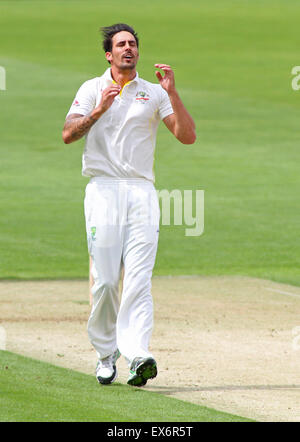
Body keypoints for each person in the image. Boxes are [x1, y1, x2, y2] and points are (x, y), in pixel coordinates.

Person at [62, 23, 196, 387]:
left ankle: (138, 354)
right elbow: (67, 134)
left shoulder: (153, 92)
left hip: (141, 192)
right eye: (121, 44)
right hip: (103, 190)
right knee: (106, 281)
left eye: (133, 44)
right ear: (109, 54)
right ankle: (106, 355)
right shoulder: (92, 88)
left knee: (139, 278)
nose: (128, 49)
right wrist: (99, 110)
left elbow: (187, 136)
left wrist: (173, 92)